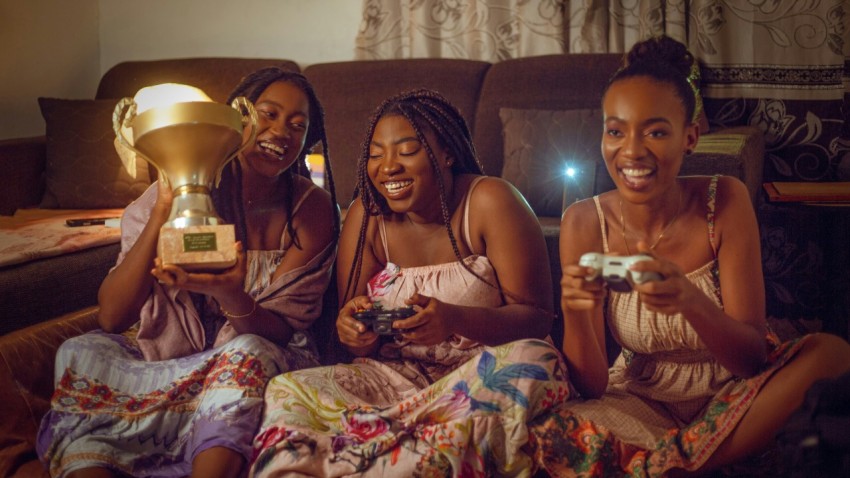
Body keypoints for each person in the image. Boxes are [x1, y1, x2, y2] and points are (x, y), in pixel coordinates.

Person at [528, 36, 850, 476]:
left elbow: (751, 359)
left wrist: (689, 300)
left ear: (690, 137)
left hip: (737, 394)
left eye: (656, 131)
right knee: (548, 433)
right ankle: (692, 461)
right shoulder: (583, 221)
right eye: (616, 131)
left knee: (831, 353)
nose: (632, 151)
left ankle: (667, 463)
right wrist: (575, 308)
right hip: (642, 400)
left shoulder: (724, 200)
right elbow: (591, 384)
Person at [36, 67, 340, 478]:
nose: (281, 132)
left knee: (247, 350)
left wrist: (231, 294)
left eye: (298, 125)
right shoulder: (174, 191)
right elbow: (112, 318)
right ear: (238, 119)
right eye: (268, 114)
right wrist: (165, 207)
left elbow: (282, 331)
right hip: (167, 357)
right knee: (82, 351)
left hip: (259, 354)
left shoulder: (311, 210)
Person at [249, 88, 568, 476]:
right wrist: (355, 329)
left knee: (536, 361)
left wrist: (455, 320)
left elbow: (537, 319)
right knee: (286, 390)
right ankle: (402, 454)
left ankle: (376, 457)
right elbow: (351, 323)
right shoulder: (367, 215)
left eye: (407, 150)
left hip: (480, 375)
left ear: (446, 153)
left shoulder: (490, 201)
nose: (388, 167)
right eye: (376, 154)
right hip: (397, 378)